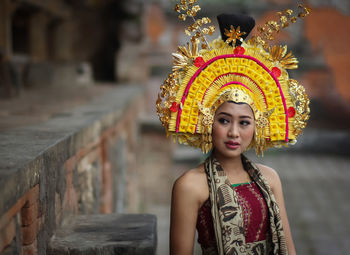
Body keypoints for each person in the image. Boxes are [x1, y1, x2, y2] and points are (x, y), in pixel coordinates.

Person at [156, 2, 310, 254]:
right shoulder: (190, 185)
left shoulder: (269, 178)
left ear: (257, 126)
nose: (234, 133)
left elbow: (289, 250)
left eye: (244, 122)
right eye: (224, 120)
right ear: (208, 121)